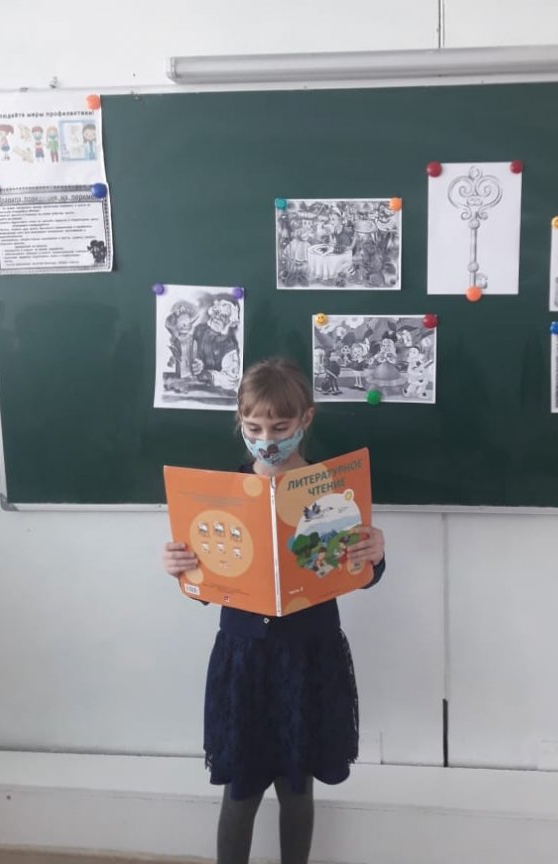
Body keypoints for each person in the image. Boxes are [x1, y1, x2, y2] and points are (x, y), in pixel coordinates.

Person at [162, 357, 386, 864]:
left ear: (306, 419)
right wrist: (181, 567)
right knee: (241, 789)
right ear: (240, 421)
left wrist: (374, 554)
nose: (266, 440)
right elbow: (206, 584)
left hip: (309, 654)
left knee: (297, 785)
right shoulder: (221, 497)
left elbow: (360, 572)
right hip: (246, 657)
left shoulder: (332, 489)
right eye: (254, 427)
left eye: (280, 428)